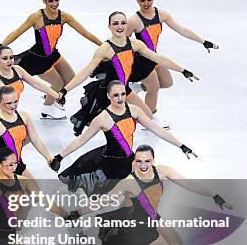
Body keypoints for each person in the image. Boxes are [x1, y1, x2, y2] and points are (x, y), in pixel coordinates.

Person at [84, 144, 232, 245]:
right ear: (134, 161)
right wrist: (77, 213)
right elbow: (103, 202)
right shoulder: (129, 182)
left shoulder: (162, 171)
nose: (143, 165)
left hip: (153, 218)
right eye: (139, 161)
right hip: (140, 226)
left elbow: (188, 183)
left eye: (147, 161)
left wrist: (214, 195)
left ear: (153, 160)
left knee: (176, 244)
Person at [60, 11, 198, 135]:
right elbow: (84, 72)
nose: (120, 26)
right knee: (108, 127)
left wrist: (183, 70)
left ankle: (109, 122)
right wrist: (65, 90)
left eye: (123, 23)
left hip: (124, 89)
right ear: (109, 26)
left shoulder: (134, 43)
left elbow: (158, 58)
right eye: (115, 23)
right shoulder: (105, 49)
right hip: (108, 91)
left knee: (148, 116)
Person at [49, 81, 196, 195]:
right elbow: (82, 140)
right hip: (109, 165)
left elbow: (157, 129)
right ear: (108, 96)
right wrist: (59, 157)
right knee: (103, 199)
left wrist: (181, 145)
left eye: (123, 94)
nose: (120, 98)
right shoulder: (102, 118)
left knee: (133, 195)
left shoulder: (133, 110)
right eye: (115, 95)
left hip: (128, 161)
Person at [1, 0, 103, 119]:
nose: (54, 4)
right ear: (44, 1)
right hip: (38, 58)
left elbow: (84, 32)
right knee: (58, 83)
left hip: (52, 54)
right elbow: (17, 32)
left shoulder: (64, 16)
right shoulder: (37, 17)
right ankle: (47, 107)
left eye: (57, 0)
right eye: (50, 1)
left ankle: (51, 97)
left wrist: (104, 45)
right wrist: (0, 47)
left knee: (70, 78)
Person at [126, 0, 219, 128]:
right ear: (137, 0)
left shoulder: (161, 15)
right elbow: (121, 42)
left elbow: (182, 29)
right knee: (154, 86)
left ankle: (138, 87)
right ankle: (150, 118)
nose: (146, 3)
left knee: (167, 82)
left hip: (154, 56)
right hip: (140, 61)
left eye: (149, 0)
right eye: (142, 0)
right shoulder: (134, 20)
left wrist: (203, 41)